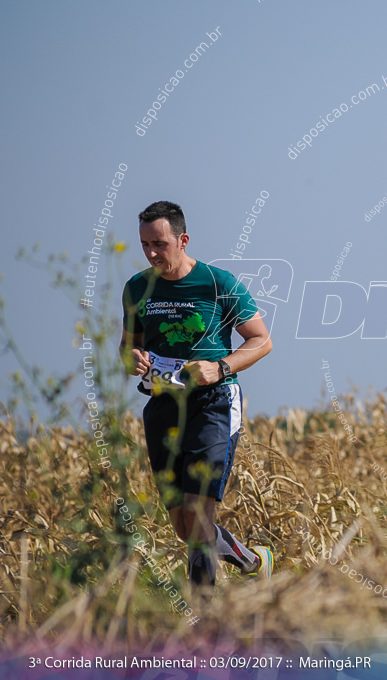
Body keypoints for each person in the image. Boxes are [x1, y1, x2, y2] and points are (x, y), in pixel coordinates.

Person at [120, 201, 275, 590]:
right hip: (162, 406)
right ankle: (252, 560)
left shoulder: (218, 283)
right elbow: (127, 349)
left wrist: (219, 367)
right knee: (183, 528)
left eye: (160, 243)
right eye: (144, 245)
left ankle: (202, 624)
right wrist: (133, 359)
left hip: (214, 404)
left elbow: (261, 341)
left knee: (199, 515)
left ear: (182, 239)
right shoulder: (137, 288)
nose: (152, 253)